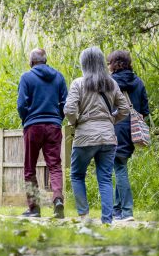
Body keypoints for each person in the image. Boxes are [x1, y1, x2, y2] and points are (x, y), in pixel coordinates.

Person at [64, 47, 131, 225]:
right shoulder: (111, 84)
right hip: (108, 137)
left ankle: (84, 217)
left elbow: (69, 110)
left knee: (77, 175)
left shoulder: (78, 83)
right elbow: (125, 109)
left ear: (84, 63)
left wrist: (76, 122)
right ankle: (107, 221)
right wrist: (111, 121)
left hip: (85, 136)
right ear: (102, 62)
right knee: (106, 179)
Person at [17, 48, 68, 218]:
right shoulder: (59, 77)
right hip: (53, 126)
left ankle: (34, 208)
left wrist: (27, 121)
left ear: (31, 62)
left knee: (29, 168)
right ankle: (58, 200)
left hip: (33, 126)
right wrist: (57, 119)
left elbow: (21, 105)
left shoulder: (26, 77)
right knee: (54, 166)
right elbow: (65, 104)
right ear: (45, 60)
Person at [108, 50, 150, 223]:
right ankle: (117, 209)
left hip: (116, 127)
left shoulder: (110, 83)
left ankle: (126, 211)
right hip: (131, 130)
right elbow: (145, 111)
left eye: (109, 62)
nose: (108, 66)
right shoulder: (138, 81)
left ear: (115, 64)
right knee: (121, 165)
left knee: (119, 168)